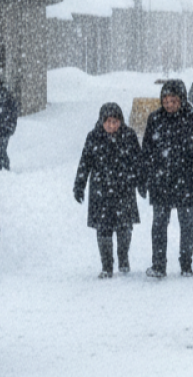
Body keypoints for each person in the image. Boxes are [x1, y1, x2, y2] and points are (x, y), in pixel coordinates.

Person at [142, 79, 193, 278]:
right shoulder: (155, 119)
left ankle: (186, 264)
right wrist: (143, 177)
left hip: (187, 178)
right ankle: (158, 265)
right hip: (160, 179)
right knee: (159, 224)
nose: (169, 104)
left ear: (182, 99)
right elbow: (146, 150)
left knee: (187, 222)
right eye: (166, 100)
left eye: (173, 100)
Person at [73, 103, 144, 278]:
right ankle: (106, 265)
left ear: (120, 121)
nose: (111, 125)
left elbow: (138, 162)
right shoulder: (93, 137)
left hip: (124, 189)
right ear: (101, 121)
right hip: (101, 191)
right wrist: (79, 185)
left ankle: (123, 257)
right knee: (103, 229)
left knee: (124, 228)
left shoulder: (129, 136)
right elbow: (85, 163)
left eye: (115, 121)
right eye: (108, 122)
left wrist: (141, 182)